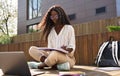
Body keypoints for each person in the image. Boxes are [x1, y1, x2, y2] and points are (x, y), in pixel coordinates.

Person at [29, 5, 76, 70]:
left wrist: (66, 49)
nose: (54, 18)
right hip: (52, 57)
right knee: (32, 49)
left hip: (66, 58)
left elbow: (72, 47)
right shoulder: (51, 31)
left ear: (61, 15)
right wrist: (48, 51)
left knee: (55, 54)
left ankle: (40, 65)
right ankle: (54, 65)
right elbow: (50, 50)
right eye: (52, 16)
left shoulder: (69, 28)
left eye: (56, 15)